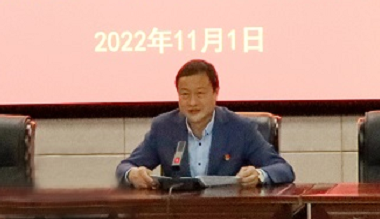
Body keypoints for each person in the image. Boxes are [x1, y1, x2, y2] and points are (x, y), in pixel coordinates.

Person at [116, 59, 295, 188]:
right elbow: (124, 167)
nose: (192, 102)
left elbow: (283, 169)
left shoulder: (240, 128)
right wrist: (132, 174)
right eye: (185, 94)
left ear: (216, 92)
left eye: (200, 94)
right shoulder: (164, 128)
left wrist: (259, 175)